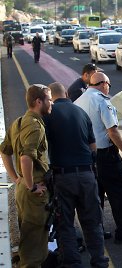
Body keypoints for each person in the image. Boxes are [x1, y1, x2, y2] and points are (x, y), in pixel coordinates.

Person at [43, 82, 109, 267]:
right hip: (87, 175)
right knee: (92, 222)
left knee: (65, 223)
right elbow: (93, 147)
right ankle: (99, 261)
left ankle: (72, 263)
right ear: (66, 93)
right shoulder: (81, 112)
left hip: (62, 176)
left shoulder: (48, 115)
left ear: (51, 97)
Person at [74, 72, 122, 244]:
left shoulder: (78, 102)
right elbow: (112, 131)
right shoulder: (102, 101)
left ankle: (98, 231)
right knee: (119, 194)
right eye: (108, 85)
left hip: (87, 157)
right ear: (103, 84)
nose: (108, 88)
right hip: (107, 156)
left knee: (95, 196)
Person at [0, 84, 52, 267]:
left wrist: (16, 179)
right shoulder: (35, 126)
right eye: (49, 99)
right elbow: (26, 158)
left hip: (23, 188)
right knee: (34, 245)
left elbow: (4, 151)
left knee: (30, 237)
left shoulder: (19, 122)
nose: (51, 102)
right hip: (34, 191)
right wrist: (31, 186)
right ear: (39, 101)